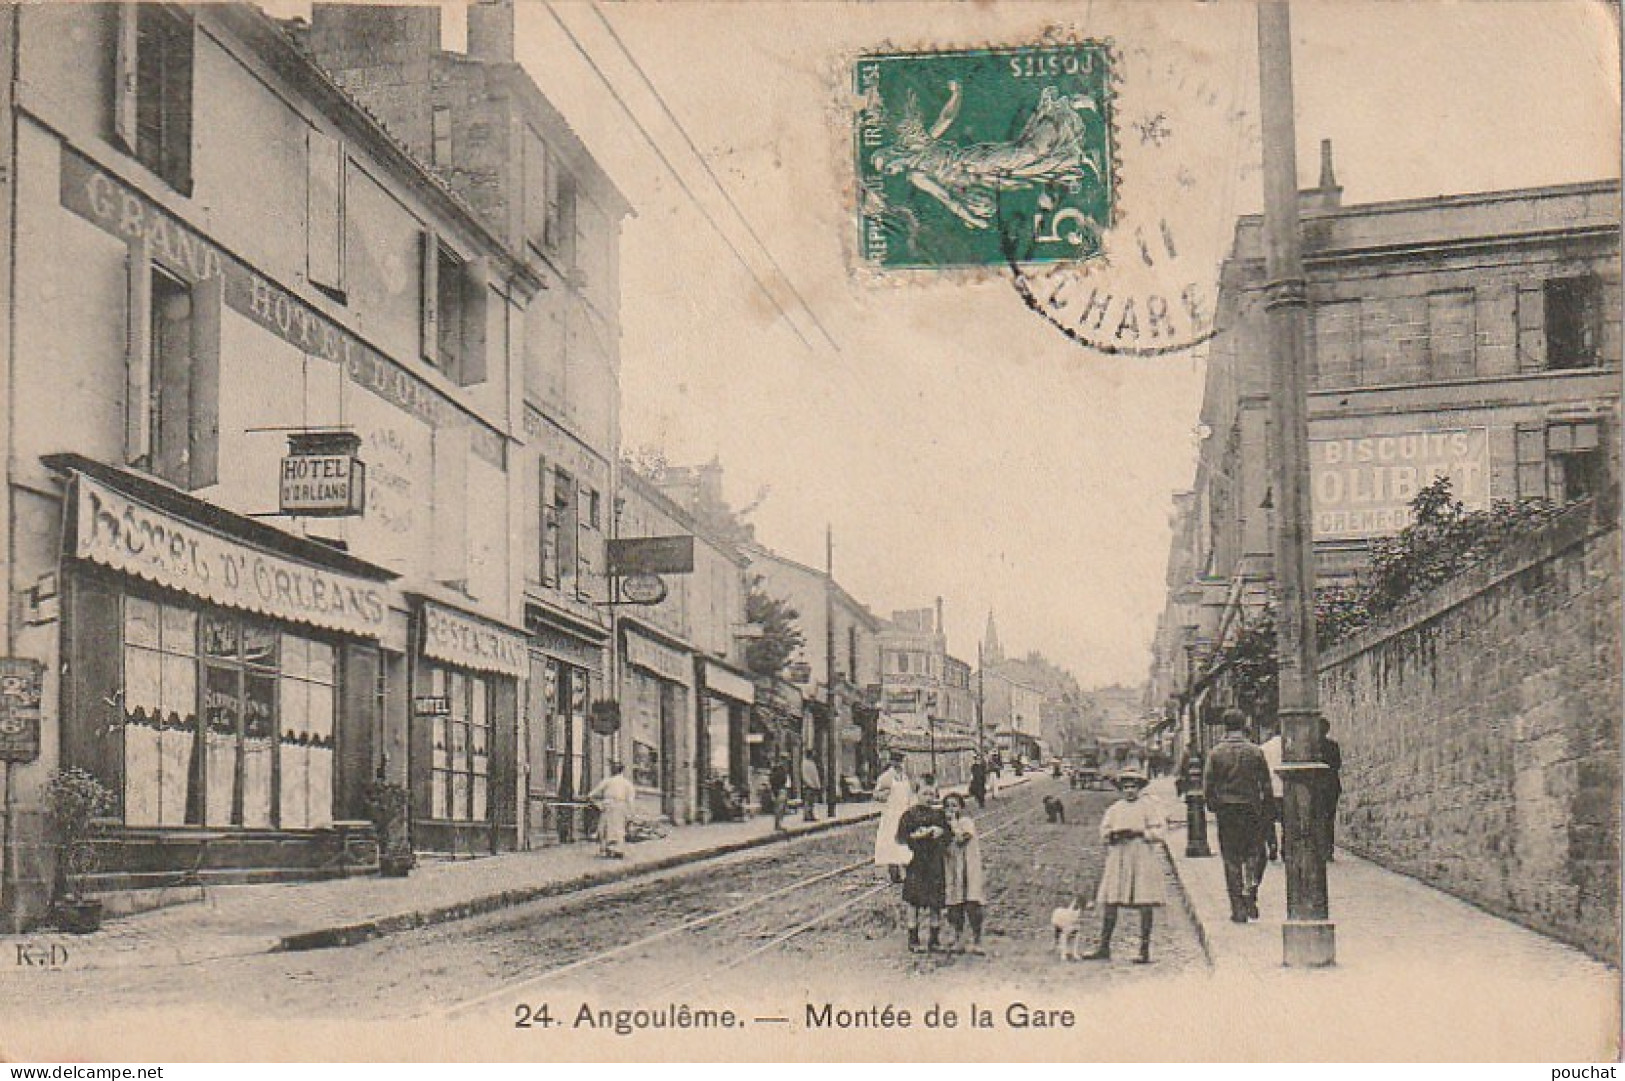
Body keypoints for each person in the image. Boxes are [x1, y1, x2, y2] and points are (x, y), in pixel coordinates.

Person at [1080, 768, 1165, 963]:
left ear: (1139, 788)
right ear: (1121, 789)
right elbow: (1104, 830)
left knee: (1144, 900)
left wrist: (1141, 833)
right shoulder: (1115, 809)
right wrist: (1111, 835)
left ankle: (1144, 950)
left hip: (1141, 855)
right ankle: (1104, 946)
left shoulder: (1149, 807)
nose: (1129, 790)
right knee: (1111, 900)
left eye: (1133, 786)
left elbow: (1159, 831)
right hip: (1118, 856)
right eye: (1125, 787)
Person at [1202, 709, 1273, 922]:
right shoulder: (1255, 751)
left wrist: (1213, 804)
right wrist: (1266, 807)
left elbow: (1208, 784)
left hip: (1227, 811)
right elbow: (1266, 783)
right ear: (1244, 725)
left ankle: (1238, 908)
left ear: (1225, 726)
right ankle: (1251, 888)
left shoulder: (1215, 753)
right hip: (1251, 809)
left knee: (1231, 858)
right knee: (1255, 853)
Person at [895, 779, 950, 952]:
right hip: (916, 862)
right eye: (924, 793)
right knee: (913, 900)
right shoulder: (909, 815)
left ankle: (934, 938)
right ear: (916, 794)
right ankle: (913, 938)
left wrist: (941, 833)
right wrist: (914, 837)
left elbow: (949, 836)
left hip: (934, 862)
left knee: (935, 902)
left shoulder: (939, 815)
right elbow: (900, 838)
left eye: (931, 794)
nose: (928, 798)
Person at [941, 792, 986, 953]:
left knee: (972, 903)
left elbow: (961, 839)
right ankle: (958, 937)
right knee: (955, 904)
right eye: (947, 806)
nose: (950, 809)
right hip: (953, 869)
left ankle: (977, 939)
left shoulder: (966, 822)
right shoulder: (943, 825)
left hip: (968, 868)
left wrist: (952, 824)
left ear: (961, 807)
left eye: (954, 805)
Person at [871, 752, 913, 882]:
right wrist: (883, 796)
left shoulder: (904, 777)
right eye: (897, 761)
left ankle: (905, 872)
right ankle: (894, 873)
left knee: (905, 843)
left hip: (904, 813)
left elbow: (908, 795)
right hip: (892, 815)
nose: (900, 764)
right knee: (891, 842)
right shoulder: (887, 777)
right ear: (892, 762)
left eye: (901, 761)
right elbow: (876, 794)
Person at [587, 762, 636, 859]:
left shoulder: (608, 781)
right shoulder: (627, 783)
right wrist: (631, 814)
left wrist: (596, 803)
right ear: (622, 771)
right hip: (620, 807)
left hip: (608, 806)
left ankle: (605, 850)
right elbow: (630, 800)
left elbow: (592, 794)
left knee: (605, 828)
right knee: (618, 828)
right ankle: (618, 850)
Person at [1313, 718, 1343, 862]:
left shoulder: (1311, 746)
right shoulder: (1333, 746)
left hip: (1316, 787)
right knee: (1329, 819)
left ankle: (1319, 848)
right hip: (1331, 785)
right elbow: (1337, 764)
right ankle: (1328, 849)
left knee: (1316, 818)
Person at [1258, 719, 1284, 866]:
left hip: (1269, 790)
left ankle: (1272, 844)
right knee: (1287, 820)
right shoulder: (1290, 747)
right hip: (1286, 790)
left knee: (1268, 821)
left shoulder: (1263, 748)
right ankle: (1286, 848)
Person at [768, 755, 791, 832]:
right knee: (779, 808)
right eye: (785, 760)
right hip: (780, 790)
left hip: (781, 789)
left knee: (782, 808)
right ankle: (778, 824)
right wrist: (776, 789)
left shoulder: (782, 769)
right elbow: (775, 780)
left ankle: (779, 824)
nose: (786, 763)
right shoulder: (779, 770)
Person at [801, 752, 823, 822]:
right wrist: (811, 784)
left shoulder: (811, 763)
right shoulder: (806, 763)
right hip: (809, 785)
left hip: (812, 785)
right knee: (808, 801)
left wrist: (817, 785)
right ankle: (807, 816)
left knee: (811, 802)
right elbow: (806, 776)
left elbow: (815, 776)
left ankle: (810, 815)